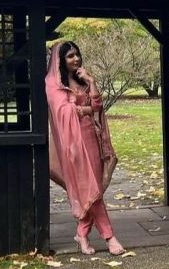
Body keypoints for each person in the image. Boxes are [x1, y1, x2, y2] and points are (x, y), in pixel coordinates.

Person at [46, 41, 125, 256]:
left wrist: (91, 81)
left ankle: (81, 233)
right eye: (70, 56)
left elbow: (98, 106)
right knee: (92, 191)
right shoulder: (53, 83)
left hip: (91, 138)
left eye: (77, 54)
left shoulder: (82, 80)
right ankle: (110, 237)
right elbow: (62, 113)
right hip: (73, 144)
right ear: (60, 60)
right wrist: (85, 109)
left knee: (94, 189)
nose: (76, 59)